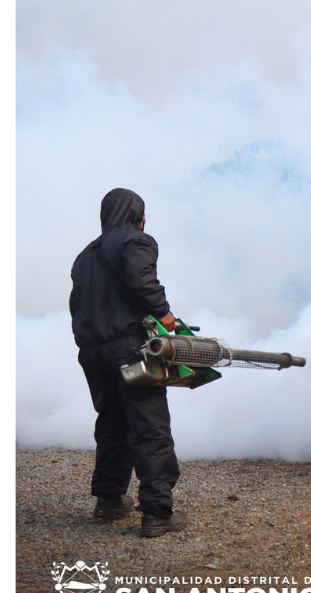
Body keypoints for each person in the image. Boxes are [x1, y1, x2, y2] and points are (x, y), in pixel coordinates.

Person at [69, 187, 188, 538]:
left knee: (112, 422)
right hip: (128, 349)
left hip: (92, 352)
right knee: (148, 425)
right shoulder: (136, 241)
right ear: (139, 215)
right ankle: (157, 514)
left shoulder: (83, 257)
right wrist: (163, 312)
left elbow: (77, 306)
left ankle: (109, 500)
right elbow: (141, 279)